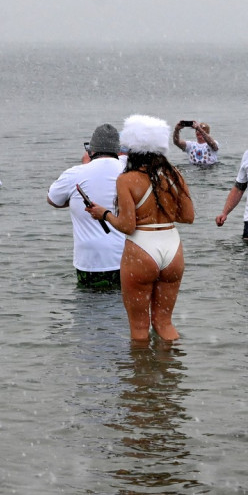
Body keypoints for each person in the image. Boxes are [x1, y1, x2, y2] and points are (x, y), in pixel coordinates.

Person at [82, 114, 194, 344]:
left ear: (132, 150)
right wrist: (162, 209)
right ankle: (171, 375)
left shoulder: (127, 179)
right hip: (172, 248)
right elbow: (188, 217)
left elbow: (127, 225)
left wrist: (102, 213)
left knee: (139, 328)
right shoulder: (176, 175)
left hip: (142, 248)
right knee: (165, 323)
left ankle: (142, 376)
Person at [47, 124, 126, 289]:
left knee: (88, 310)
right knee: (126, 309)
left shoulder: (75, 173)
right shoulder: (130, 171)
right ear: (118, 150)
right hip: (128, 258)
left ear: (91, 150)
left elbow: (53, 200)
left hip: (90, 261)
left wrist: (74, 199)